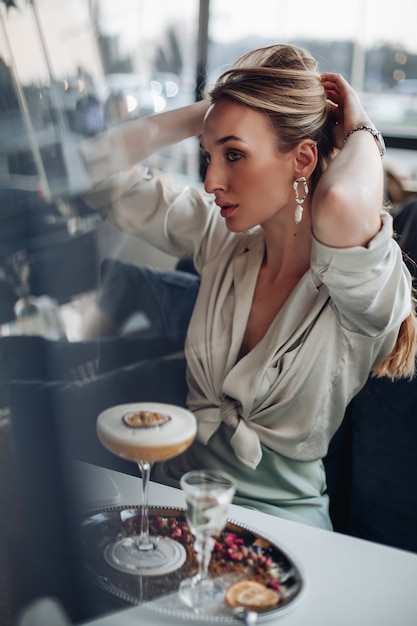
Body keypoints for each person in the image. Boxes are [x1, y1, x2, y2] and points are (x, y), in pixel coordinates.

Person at [73, 43, 417, 531]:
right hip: (179, 500)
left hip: (285, 528)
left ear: (303, 159)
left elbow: (339, 200)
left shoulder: (364, 290)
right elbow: (93, 169)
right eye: (208, 156)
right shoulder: (221, 240)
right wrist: (216, 113)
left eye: (234, 155)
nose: (212, 179)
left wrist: (363, 131)